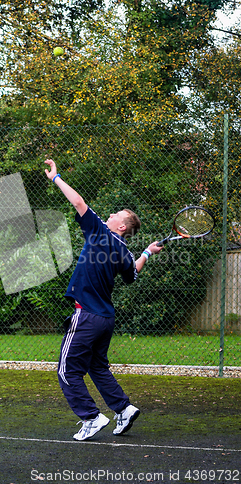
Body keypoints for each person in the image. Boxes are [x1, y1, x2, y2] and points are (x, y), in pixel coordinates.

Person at [44, 159, 163, 441]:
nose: (109, 214)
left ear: (121, 227)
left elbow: (78, 202)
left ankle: (91, 417)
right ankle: (123, 409)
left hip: (86, 315)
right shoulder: (123, 251)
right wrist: (146, 252)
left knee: (66, 370)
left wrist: (56, 177)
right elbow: (132, 274)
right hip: (105, 320)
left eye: (115, 215)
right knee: (96, 367)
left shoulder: (100, 232)